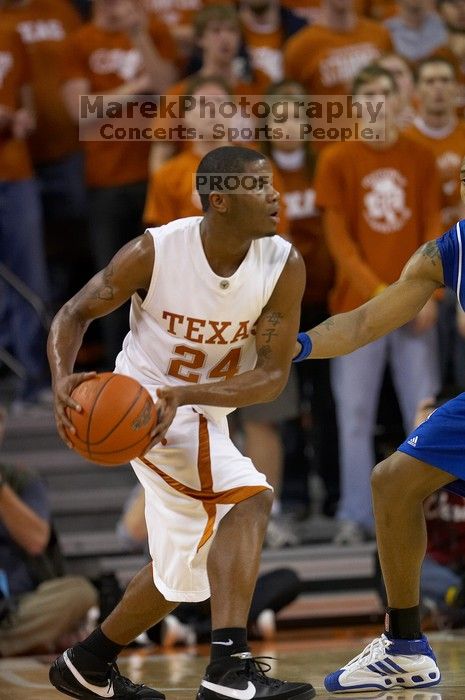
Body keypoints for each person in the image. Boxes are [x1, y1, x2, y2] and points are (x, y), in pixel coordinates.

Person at [47, 146, 315, 700]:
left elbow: (270, 379)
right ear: (220, 200)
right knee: (250, 497)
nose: (275, 195)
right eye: (258, 186)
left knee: (183, 572)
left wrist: (189, 392)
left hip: (195, 406)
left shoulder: (283, 265)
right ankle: (228, 671)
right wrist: (60, 381)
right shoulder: (157, 250)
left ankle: (87, 663)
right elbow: (73, 312)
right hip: (139, 407)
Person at [291, 156, 465, 692]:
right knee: (391, 482)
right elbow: (367, 319)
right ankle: (406, 646)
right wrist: (295, 347)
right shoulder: (448, 251)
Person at [315, 63, 442, 545]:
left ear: (399, 101)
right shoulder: (337, 159)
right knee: (354, 416)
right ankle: (355, 515)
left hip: (417, 308)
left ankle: (429, 515)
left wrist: (426, 290)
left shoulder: (421, 155)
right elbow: (339, 240)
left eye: (385, 95)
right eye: (367, 97)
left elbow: (432, 226)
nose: (377, 106)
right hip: (357, 311)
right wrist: (382, 294)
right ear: (354, 106)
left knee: (424, 413)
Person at [0, 407, 97, 657]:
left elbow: (35, 541)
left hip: (17, 609)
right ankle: (22, 643)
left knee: (79, 592)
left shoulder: (22, 479)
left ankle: (15, 641)